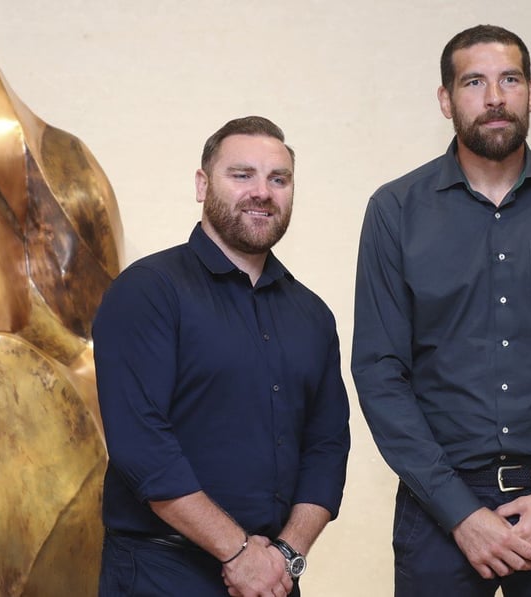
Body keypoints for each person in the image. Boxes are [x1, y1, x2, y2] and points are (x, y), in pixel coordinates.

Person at [351, 25, 531, 596]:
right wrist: (459, 512)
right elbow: (380, 372)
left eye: (509, 80)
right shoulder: (394, 211)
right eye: (473, 82)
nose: (494, 97)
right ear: (445, 99)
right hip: (439, 506)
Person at [93, 116, 351, 597]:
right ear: (202, 184)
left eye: (279, 179)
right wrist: (237, 552)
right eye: (242, 175)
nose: (262, 192)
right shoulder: (147, 292)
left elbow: (327, 447)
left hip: (273, 577)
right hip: (159, 572)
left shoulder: (312, 314)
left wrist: (285, 556)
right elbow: (142, 447)